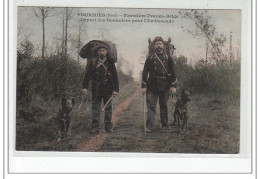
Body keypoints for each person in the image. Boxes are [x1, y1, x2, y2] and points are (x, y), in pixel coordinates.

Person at [141, 36, 177, 133]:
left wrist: (173, 86)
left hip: (165, 85)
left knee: (164, 106)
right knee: (151, 107)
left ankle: (164, 125)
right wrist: (143, 86)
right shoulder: (150, 58)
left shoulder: (168, 57)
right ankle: (149, 126)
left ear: (164, 46)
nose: (158, 46)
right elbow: (145, 72)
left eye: (160, 44)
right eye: (156, 44)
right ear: (154, 46)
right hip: (151, 85)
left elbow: (174, 72)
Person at [82, 43, 119, 134]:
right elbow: (87, 75)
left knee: (108, 108)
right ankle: (95, 127)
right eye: (99, 51)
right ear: (97, 53)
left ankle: (108, 126)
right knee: (95, 108)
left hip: (108, 89)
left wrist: (115, 89)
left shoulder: (110, 63)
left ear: (106, 52)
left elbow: (115, 77)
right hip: (96, 89)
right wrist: (85, 87)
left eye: (103, 51)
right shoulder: (93, 62)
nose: (101, 52)